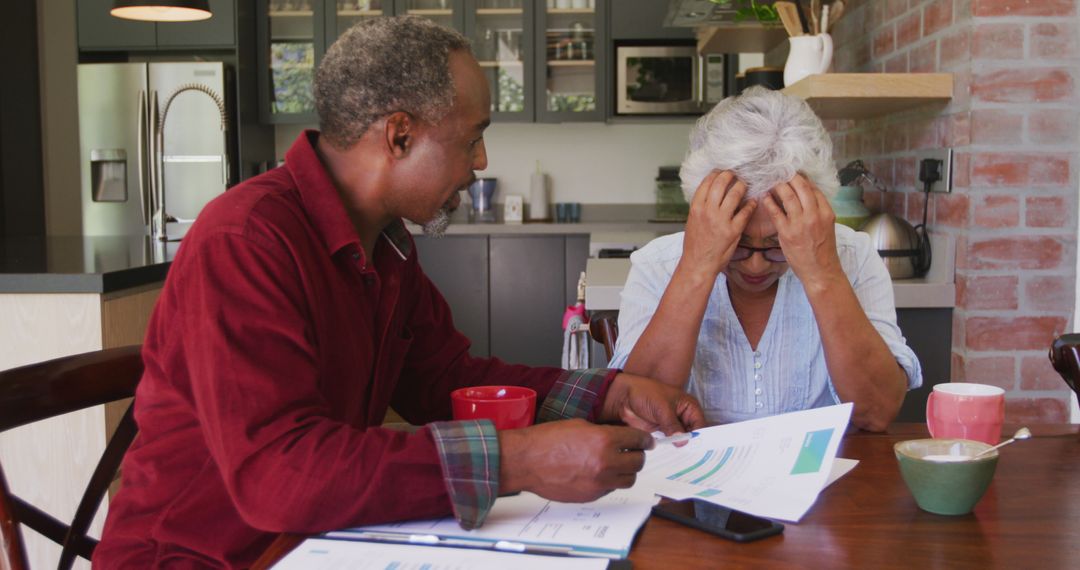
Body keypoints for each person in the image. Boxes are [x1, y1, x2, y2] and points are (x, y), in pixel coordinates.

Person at [94, 17, 704, 568]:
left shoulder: (385, 243)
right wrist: (519, 460)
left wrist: (609, 394)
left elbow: (446, 378)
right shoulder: (247, 239)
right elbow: (279, 474)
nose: (481, 162)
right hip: (204, 558)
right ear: (400, 136)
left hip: (315, 541)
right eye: (471, 138)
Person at [608, 86, 922, 432]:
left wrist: (823, 274)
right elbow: (640, 414)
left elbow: (876, 412)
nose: (755, 266)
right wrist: (697, 269)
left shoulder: (854, 257)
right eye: (736, 244)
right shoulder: (656, 265)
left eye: (778, 244)